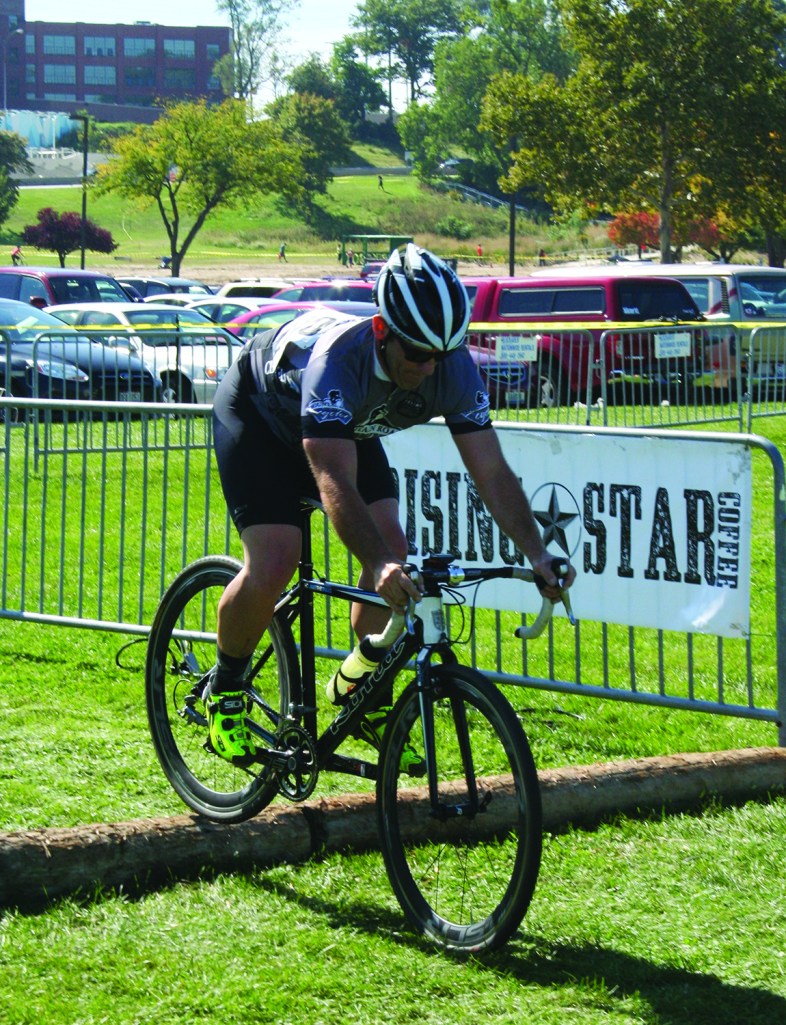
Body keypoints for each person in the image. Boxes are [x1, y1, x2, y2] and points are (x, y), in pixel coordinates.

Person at [208, 243, 575, 768]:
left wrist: (538, 554)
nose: (431, 369)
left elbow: (490, 470)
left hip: (348, 425)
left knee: (395, 549)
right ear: (383, 331)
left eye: (443, 355)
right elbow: (332, 474)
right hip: (261, 415)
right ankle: (225, 690)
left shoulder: (449, 368)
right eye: (419, 355)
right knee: (276, 556)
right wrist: (376, 564)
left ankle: (363, 692)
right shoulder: (339, 360)